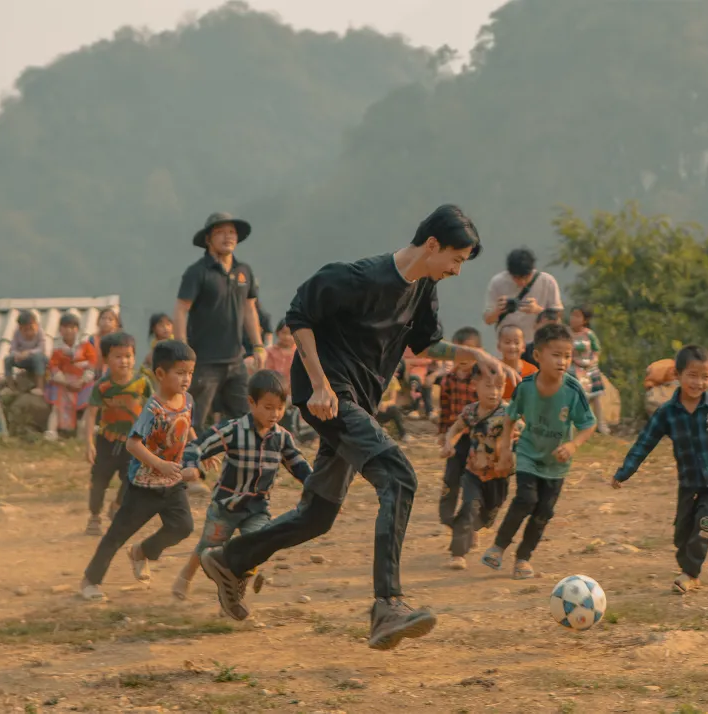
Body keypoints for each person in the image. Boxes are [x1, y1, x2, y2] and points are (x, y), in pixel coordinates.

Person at [198, 203, 503, 651]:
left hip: (358, 402)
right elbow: (300, 314)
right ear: (433, 245)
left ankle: (230, 560)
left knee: (318, 516)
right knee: (398, 476)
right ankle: (387, 605)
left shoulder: (424, 287)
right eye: (456, 259)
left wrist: (476, 355)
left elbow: (423, 344)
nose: (458, 270)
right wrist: (320, 385)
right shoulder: (362, 277)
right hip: (329, 398)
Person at [610, 345, 708, 594]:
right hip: (689, 482)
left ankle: (691, 574)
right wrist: (625, 471)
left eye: (705, 376)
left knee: (703, 525)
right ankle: (687, 566)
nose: (699, 382)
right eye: (692, 376)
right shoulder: (667, 413)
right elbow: (645, 443)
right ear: (677, 375)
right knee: (682, 532)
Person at [172, 370, 311, 602]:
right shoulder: (233, 430)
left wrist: (316, 484)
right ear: (251, 402)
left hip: (257, 507)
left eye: (279, 407)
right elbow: (197, 445)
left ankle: (232, 594)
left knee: (258, 545)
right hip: (226, 506)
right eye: (268, 407)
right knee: (208, 546)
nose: (275, 414)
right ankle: (186, 576)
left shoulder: (282, 438)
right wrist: (193, 466)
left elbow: (298, 464)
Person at [80, 340, 198, 602]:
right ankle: (90, 580)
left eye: (190, 372)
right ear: (159, 374)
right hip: (144, 485)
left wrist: (199, 454)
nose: (186, 378)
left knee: (183, 526)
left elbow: (187, 428)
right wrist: (159, 464)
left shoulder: (188, 400)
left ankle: (142, 552)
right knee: (117, 535)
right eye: (179, 372)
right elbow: (132, 443)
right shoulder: (153, 408)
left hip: (172, 481)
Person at [481, 323, 597, 579]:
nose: (563, 362)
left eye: (567, 356)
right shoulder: (526, 387)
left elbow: (589, 424)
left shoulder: (572, 390)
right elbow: (510, 418)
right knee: (526, 499)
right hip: (528, 454)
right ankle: (498, 547)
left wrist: (572, 444)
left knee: (544, 511)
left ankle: (523, 558)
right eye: (556, 355)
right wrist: (506, 451)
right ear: (537, 356)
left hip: (556, 465)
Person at [175, 212, 266, 432]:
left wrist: (258, 346)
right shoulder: (197, 272)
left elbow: (249, 308)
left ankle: (241, 464)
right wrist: (182, 352)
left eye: (232, 232)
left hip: (236, 360)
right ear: (208, 239)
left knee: (247, 419)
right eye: (221, 232)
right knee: (192, 420)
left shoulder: (244, 271)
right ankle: (185, 465)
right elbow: (180, 310)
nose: (228, 237)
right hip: (204, 362)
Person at [440, 366, 513, 570]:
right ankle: (458, 553)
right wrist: (449, 443)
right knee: (469, 506)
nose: (494, 392)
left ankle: (474, 528)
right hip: (473, 472)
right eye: (488, 386)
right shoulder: (471, 411)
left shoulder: (509, 413)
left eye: (499, 387)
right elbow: (455, 428)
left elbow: (521, 436)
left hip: (499, 476)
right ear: (475, 386)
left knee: (487, 517)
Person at [84, 332, 154, 535]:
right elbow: (91, 415)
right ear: (105, 359)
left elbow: (153, 407)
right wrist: (89, 443)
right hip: (106, 442)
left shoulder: (142, 383)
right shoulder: (103, 387)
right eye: (118, 356)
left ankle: (116, 506)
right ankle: (94, 516)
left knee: (131, 480)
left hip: (133, 443)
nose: (124, 361)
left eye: (128, 356)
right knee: (99, 481)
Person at [436, 326, 481, 528]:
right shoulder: (448, 380)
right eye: (458, 350)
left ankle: (471, 523)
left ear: (478, 352)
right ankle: (447, 517)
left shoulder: (482, 380)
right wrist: (442, 433)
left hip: (477, 438)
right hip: (456, 438)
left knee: (473, 481)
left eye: (468, 350)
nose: (462, 356)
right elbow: (444, 408)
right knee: (451, 477)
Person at [483, 248, 563, 343]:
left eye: (526, 277)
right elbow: (488, 320)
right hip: (508, 344)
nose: (522, 282)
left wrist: (538, 310)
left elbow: (557, 319)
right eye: (516, 278)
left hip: (538, 343)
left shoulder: (548, 282)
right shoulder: (497, 282)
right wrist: (498, 310)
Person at [44, 313, 98, 440]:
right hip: (63, 382)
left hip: (83, 382)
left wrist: (82, 381)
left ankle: (84, 426)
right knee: (57, 405)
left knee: (91, 399)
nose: (69, 330)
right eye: (65, 327)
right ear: (60, 330)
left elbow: (92, 365)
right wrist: (65, 382)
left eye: (72, 327)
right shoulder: (57, 349)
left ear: (77, 329)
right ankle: (51, 431)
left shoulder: (86, 346)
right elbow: (53, 368)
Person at [569, 306, 610, 435]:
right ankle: (574, 425)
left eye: (577, 316)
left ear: (585, 320)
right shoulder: (567, 333)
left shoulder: (589, 334)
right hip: (573, 368)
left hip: (590, 368)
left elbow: (596, 350)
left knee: (596, 398)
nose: (573, 319)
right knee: (574, 397)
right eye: (572, 315)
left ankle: (601, 425)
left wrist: (592, 362)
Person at [265, 319, 301, 438]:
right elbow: (268, 373)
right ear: (277, 333)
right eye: (283, 333)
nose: (287, 337)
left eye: (290, 333)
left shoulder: (300, 352)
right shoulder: (270, 352)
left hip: (294, 392)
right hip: (274, 390)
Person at [4, 310, 48, 394]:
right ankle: (10, 386)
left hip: (38, 359)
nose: (29, 332)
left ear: (36, 325)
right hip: (22, 358)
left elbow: (41, 348)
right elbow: (12, 348)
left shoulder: (40, 332)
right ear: (20, 328)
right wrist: (17, 355)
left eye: (31, 328)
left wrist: (28, 353)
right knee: (7, 360)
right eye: (25, 330)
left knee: (37, 357)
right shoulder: (17, 333)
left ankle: (40, 387)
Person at [496, 324, 538, 400]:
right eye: (507, 342)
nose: (512, 346)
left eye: (516, 343)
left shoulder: (532, 372)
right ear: (499, 346)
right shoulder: (493, 369)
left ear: (523, 347)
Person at [88, 308, 122, 377]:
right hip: (94, 374)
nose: (106, 322)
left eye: (110, 319)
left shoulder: (119, 340)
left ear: (116, 324)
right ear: (98, 322)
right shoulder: (93, 339)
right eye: (103, 318)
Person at [140, 313, 174, 381]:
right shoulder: (154, 346)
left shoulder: (176, 343)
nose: (166, 328)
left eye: (168, 324)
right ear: (154, 329)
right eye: (161, 325)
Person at [376, 375, 410, 443]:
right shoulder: (371, 376)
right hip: (371, 409)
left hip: (383, 409)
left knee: (395, 409)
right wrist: (377, 406)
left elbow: (393, 401)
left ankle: (403, 434)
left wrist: (385, 404)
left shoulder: (392, 380)